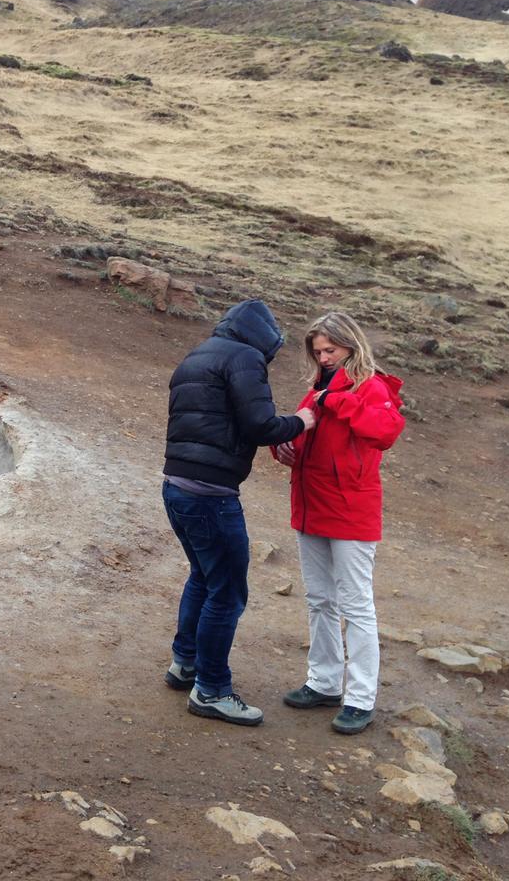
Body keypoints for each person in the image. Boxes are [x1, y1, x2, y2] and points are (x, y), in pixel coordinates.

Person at [162, 299, 314, 726]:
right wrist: (302, 421)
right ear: (263, 337)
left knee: (203, 577)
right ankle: (211, 690)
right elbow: (259, 425)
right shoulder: (245, 358)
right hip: (211, 495)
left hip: (176, 486)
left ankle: (185, 665)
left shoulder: (199, 354)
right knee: (227, 593)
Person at [273, 311, 405, 735]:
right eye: (318, 351)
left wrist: (337, 400)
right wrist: (283, 447)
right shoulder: (318, 388)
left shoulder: (372, 386)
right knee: (319, 599)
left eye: (330, 349)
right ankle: (324, 682)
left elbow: (385, 430)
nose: (324, 357)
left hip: (350, 510)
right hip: (312, 505)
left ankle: (360, 698)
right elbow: (302, 433)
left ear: (351, 344)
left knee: (356, 606)